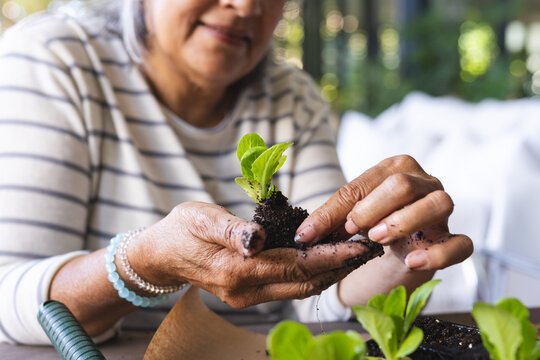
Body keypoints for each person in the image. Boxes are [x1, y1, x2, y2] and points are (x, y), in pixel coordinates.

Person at [0, 0, 473, 345]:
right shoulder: (54, 60)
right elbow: (9, 295)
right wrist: (144, 263)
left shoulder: (291, 97)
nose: (246, 5)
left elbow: (330, 296)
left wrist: (396, 252)